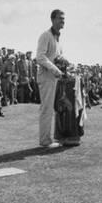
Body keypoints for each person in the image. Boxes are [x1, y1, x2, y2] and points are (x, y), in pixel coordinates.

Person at [36, 9, 66, 147]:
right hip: (46, 77)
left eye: (63, 19)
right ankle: (45, 140)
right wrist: (55, 69)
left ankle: (50, 137)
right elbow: (40, 57)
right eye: (60, 18)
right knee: (46, 109)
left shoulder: (57, 39)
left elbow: (58, 57)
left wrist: (67, 64)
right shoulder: (45, 36)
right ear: (52, 20)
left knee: (53, 109)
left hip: (54, 78)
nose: (63, 21)